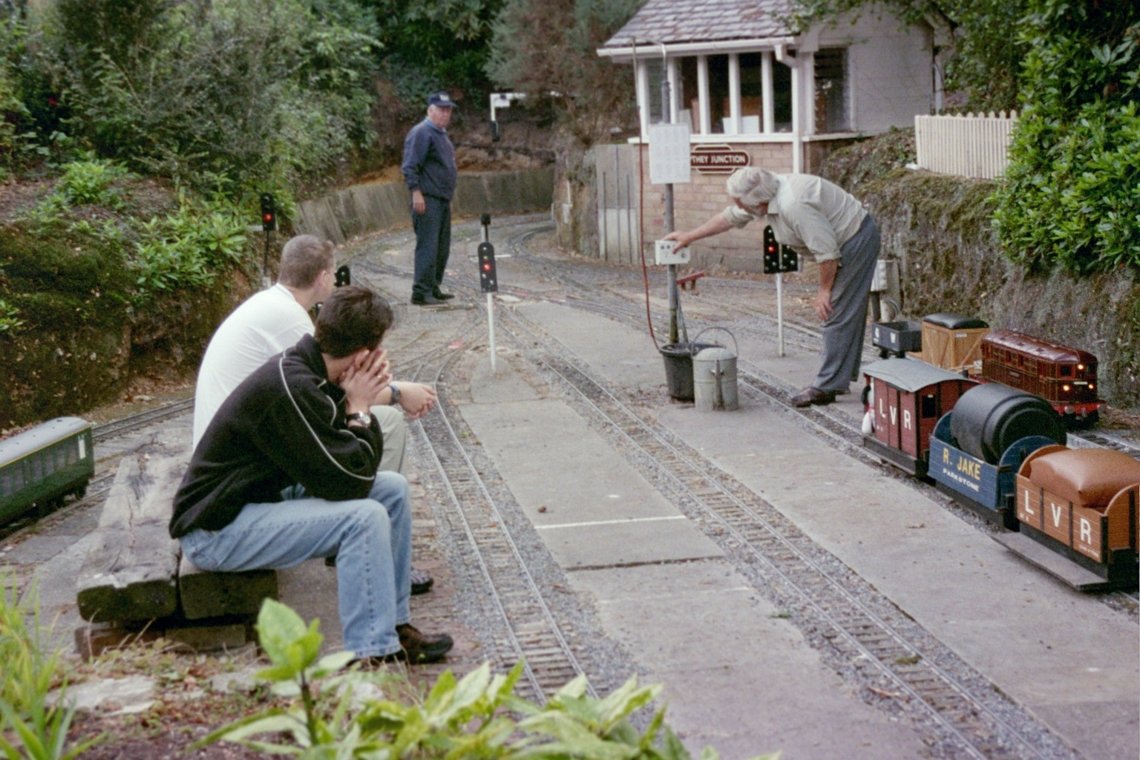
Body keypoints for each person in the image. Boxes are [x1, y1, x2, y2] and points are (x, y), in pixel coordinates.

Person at [171, 285, 454, 665]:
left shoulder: (312, 373)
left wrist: (360, 405)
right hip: (216, 530)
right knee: (364, 517)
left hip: (255, 504)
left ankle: (395, 627)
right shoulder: (294, 386)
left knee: (392, 490)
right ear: (364, 355)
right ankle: (371, 652)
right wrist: (360, 408)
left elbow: (352, 473)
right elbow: (348, 483)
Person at [191, 234, 438, 594]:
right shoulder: (291, 322)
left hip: (245, 467)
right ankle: (363, 545)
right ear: (324, 277)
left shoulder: (274, 307)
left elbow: (333, 395)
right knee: (384, 432)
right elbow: (338, 396)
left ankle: (383, 575)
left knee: (386, 476)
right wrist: (396, 393)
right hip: (230, 494)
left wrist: (369, 401)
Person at [666, 167, 881, 408]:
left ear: (757, 201)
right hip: (840, 240)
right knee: (844, 312)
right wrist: (690, 236)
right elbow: (729, 217)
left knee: (834, 311)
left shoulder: (793, 205)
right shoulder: (765, 194)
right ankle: (837, 379)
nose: (740, 207)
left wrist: (823, 291)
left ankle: (826, 386)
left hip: (854, 238)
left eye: (741, 202)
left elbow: (827, 253)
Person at [402, 90, 458, 306]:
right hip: (428, 198)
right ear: (430, 110)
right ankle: (421, 291)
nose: (445, 114)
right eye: (441, 110)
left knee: (441, 246)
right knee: (428, 245)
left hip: (441, 198)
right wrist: (416, 192)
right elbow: (410, 165)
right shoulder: (422, 132)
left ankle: (433, 286)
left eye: (448, 110)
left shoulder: (440, 134)